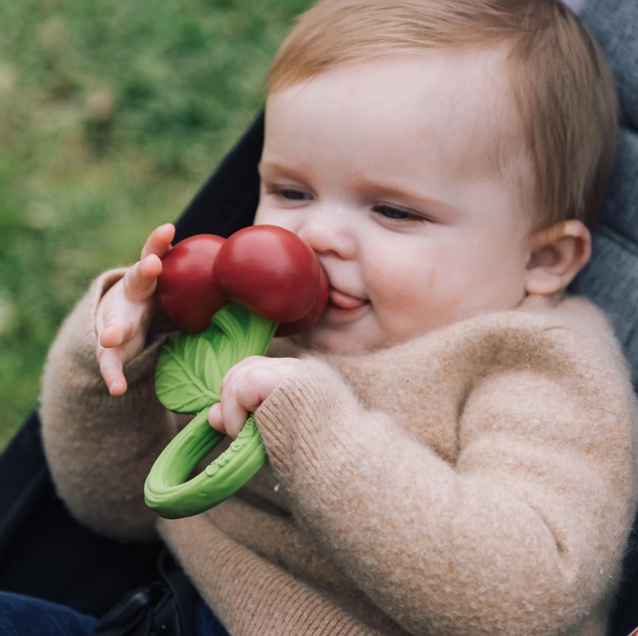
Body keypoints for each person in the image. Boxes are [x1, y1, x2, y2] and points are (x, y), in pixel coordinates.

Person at [12, 0, 636, 634]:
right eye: (291, 192)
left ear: (544, 258)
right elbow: (114, 504)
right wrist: (114, 353)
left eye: (395, 211)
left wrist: (314, 432)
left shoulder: (535, 373)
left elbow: (529, 595)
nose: (315, 234)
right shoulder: (259, 324)